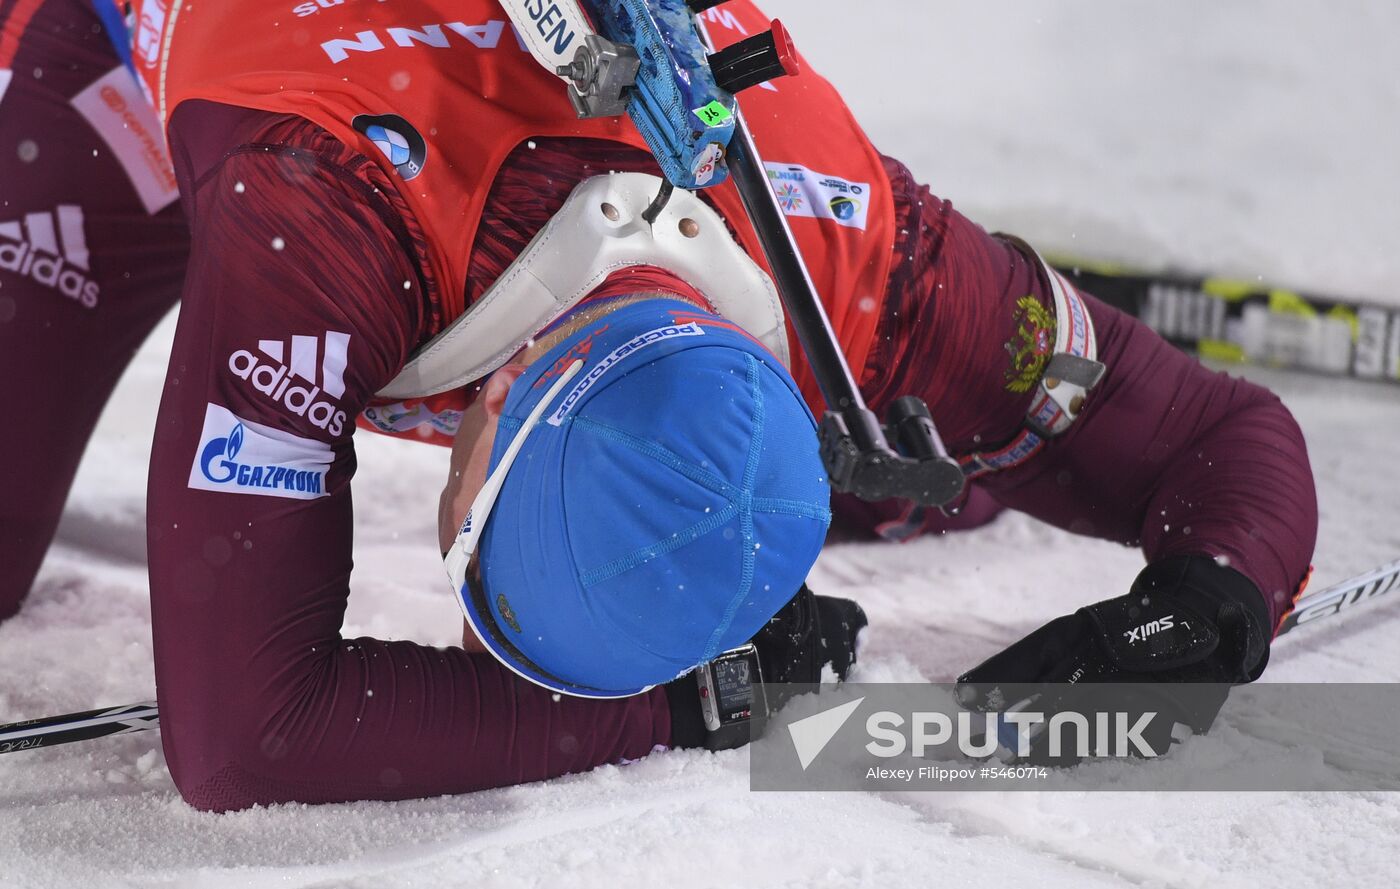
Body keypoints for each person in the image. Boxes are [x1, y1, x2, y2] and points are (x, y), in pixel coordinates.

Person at [0, 0, 1316, 809]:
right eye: (475, 564)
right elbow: (241, 740)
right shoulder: (315, 229)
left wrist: (1218, 600)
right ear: (481, 443)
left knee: (913, 484)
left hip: (378, 122)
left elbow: (1220, 438)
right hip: (141, 60)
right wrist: (672, 709)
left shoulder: (867, 261)